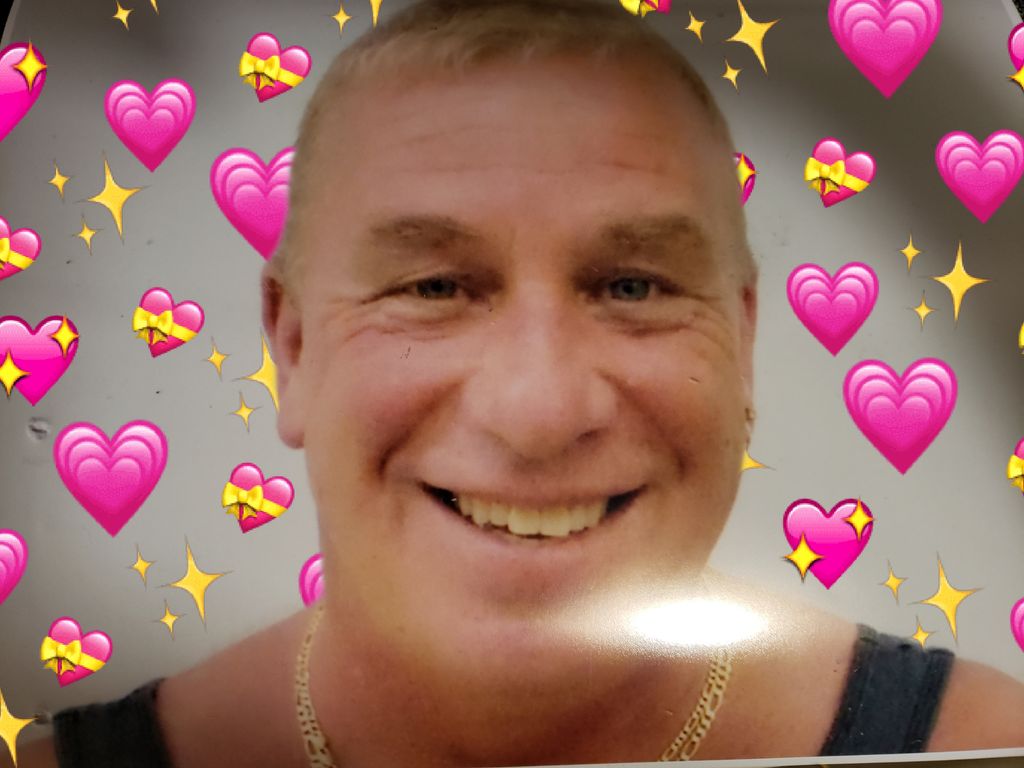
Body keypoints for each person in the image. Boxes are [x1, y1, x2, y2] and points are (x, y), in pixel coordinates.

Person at [11, 0, 1024, 765]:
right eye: (433, 287)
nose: (538, 412)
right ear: (293, 348)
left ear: (744, 340)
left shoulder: (985, 745)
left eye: (632, 286)